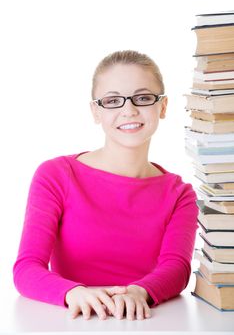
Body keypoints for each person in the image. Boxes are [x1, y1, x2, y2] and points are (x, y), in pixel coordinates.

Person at [13, 50, 199, 321]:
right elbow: (27, 268)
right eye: (112, 100)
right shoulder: (55, 175)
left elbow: (177, 268)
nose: (129, 110)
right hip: (73, 320)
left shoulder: (180, 194)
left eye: (143, 97)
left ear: (163, 106)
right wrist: (73, 292)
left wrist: (138, 292)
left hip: (148, 321)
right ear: (95, 111)